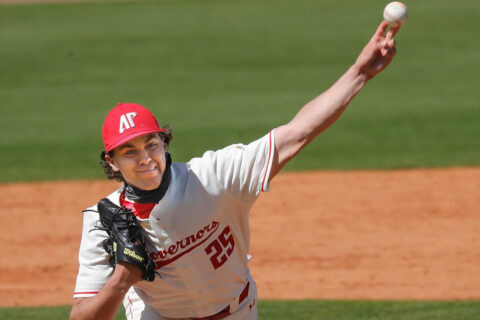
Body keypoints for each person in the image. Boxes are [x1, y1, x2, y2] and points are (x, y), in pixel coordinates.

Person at [70, 21, 400, 320]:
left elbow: (297, 132)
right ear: (112, 162)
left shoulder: (214, 176)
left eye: (151, 144)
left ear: (164, 142)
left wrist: (360, 73)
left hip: (237, 311)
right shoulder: (103, 220)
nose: (144, 158)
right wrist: (122, 280)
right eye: (129, 151)